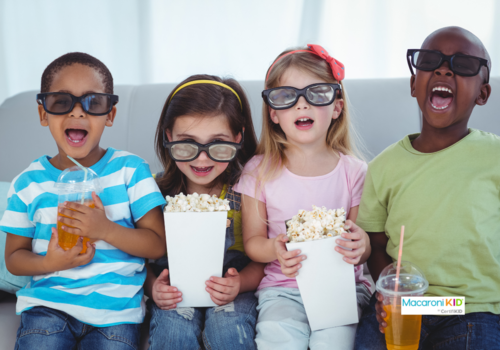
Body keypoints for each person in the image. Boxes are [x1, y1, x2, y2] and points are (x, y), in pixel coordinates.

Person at [0, 52, 166, 349]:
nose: (77, 113)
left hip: (115, 314)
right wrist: (49, 262)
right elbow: (13, 259)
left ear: (110, 114)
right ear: (43, 113)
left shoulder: (130, 170)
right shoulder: (27, 183)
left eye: (93, 103)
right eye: (61, 102)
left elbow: (157, 244)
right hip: (46, 309)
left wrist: (106, 230)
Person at [354, 26, 500, 350]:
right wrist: (387, 292)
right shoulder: (383, 166)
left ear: (483, 93)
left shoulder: (495, 157)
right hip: (404, 306)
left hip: (469, 308)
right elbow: (375, 247)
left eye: (462, 65)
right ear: (413, 84)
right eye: (430, 60)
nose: (443, 69)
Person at [235, 44, 372, 350]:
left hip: (342, 289)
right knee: (276, 337)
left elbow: (360, 244)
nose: (301, 105)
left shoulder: (355, 171)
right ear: (273, 113)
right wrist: (275, 248)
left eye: (317, 94)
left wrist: (360, 246)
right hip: (283, 288)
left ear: (337, 107)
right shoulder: (258, 171)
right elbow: (254, 243)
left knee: (334, 342)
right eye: (286, 96)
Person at [145, 74, 265, 350]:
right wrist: (153, 287)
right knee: (172, 334)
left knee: (228, 332)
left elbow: (265, 257)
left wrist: (241, 284)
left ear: (238, 138)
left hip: (235, 287)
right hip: (174, 288)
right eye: (187, 142)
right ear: (169, 136)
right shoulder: (152, 190)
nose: (202, 158)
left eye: (218, 144)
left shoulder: (250, 189)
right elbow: (138, 258)